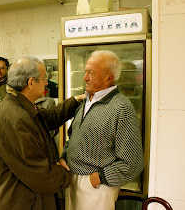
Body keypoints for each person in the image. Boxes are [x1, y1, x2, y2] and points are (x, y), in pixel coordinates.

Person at [0, 56, 86, 210]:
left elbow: (47, 118)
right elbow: (40, 175)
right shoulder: (16, 117)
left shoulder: (20, 105)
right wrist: (68, 173)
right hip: (23, 202)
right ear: (31, 82)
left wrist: (76, 100)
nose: (47, 83)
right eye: (44, 78)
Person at [59, 50, 144, 210]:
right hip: (72, 181)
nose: (85, 78)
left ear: (109, 78)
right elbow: (74, 136)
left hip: (96, 187)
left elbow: (133, 163)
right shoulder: (85, 102)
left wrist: (101, 177)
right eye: (85, 72)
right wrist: (64, 156)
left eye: (91, 73)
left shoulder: (121, 108)